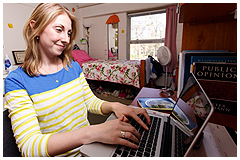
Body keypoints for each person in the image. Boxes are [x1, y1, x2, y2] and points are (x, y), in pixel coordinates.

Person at [4, 3, 150, 157]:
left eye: (69, 33)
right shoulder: (17, 81)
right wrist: (93, 132)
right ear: (35, 28)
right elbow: (30, 147)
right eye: (59, 30)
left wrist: (115, 105)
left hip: (88, 150)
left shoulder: (72, 67)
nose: (66, 39)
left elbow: (89, 102)